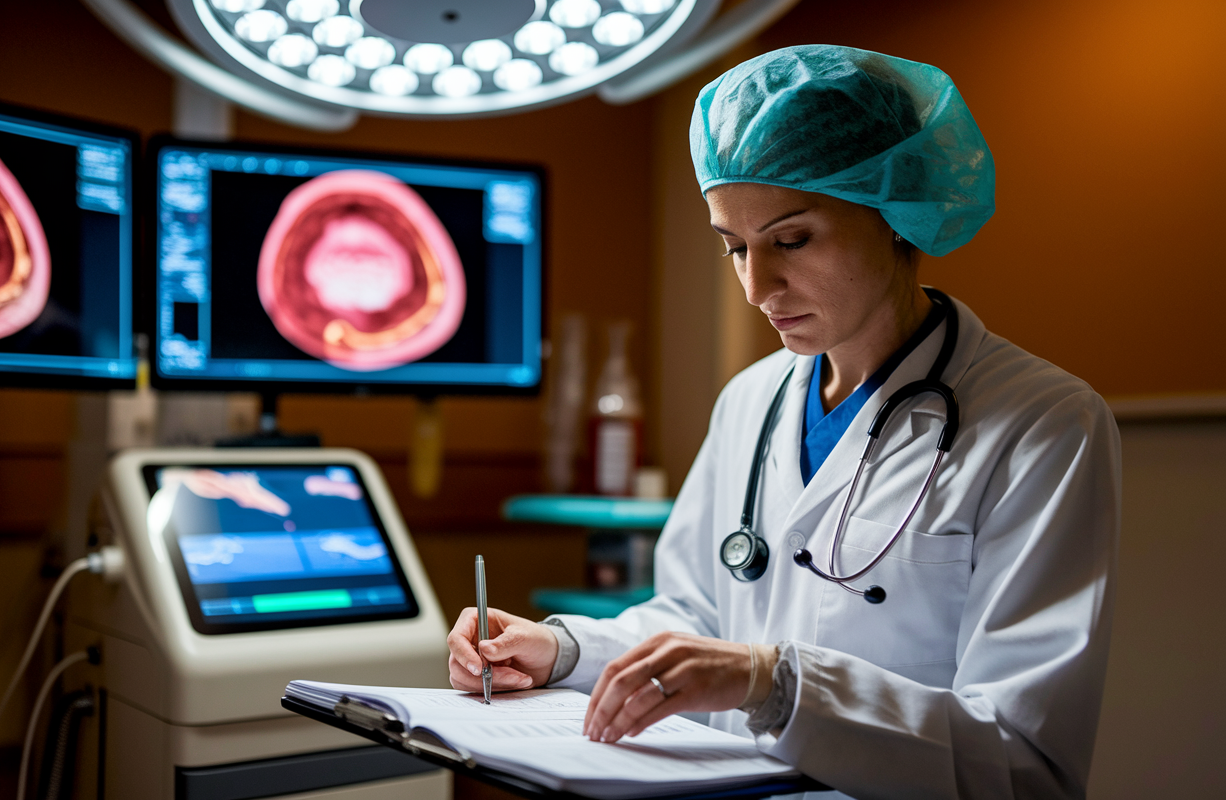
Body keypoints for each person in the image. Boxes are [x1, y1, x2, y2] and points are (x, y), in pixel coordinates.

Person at [446, 45, 1120, 800]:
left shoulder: (1044, 423)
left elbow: (1023, 759)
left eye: (792, 240)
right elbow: (693, 615)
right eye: (734, 247)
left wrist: (775, 685)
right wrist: (564, 649)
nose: (757, 287)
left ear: (896, 213)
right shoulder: (752, 400)